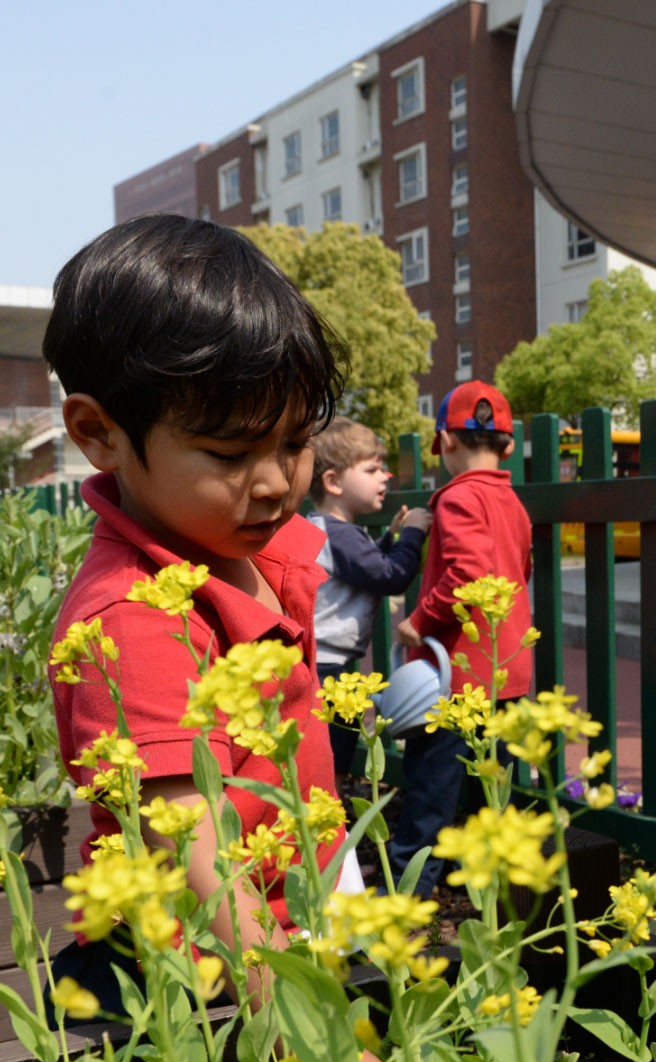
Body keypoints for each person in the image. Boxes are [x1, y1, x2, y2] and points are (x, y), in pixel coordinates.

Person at [44, 213, 357, 1017]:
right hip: (200, 988)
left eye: (294, 442)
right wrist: (312, 1031)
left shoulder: (237, 553)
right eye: (227, 453)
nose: (274, 483)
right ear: (98, 433)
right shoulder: (135, 621)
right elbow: (201, 869)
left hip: (280, 951)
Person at [391, 380, 532, 899]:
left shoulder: (456, 499)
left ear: (446, 443)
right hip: (506, 669)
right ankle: (493, 893)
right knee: (493, 792)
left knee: (431, 790)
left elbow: (467, 574)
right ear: (509, 446)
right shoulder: (513, 504)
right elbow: (520, 571)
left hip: (458, 678)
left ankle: (406, 898)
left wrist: (420, 622)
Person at [307, 416, 432, 774]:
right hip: (327, 668)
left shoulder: (332, 530)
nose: (385, 477)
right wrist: (413, 535)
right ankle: (332, 819)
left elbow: (362, 570)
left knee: (331, 751)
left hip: (322, 662)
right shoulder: (340, 535)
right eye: (372, 469)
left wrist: (389, 539)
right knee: (334, 755)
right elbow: (389, 576)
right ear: (333, 482)